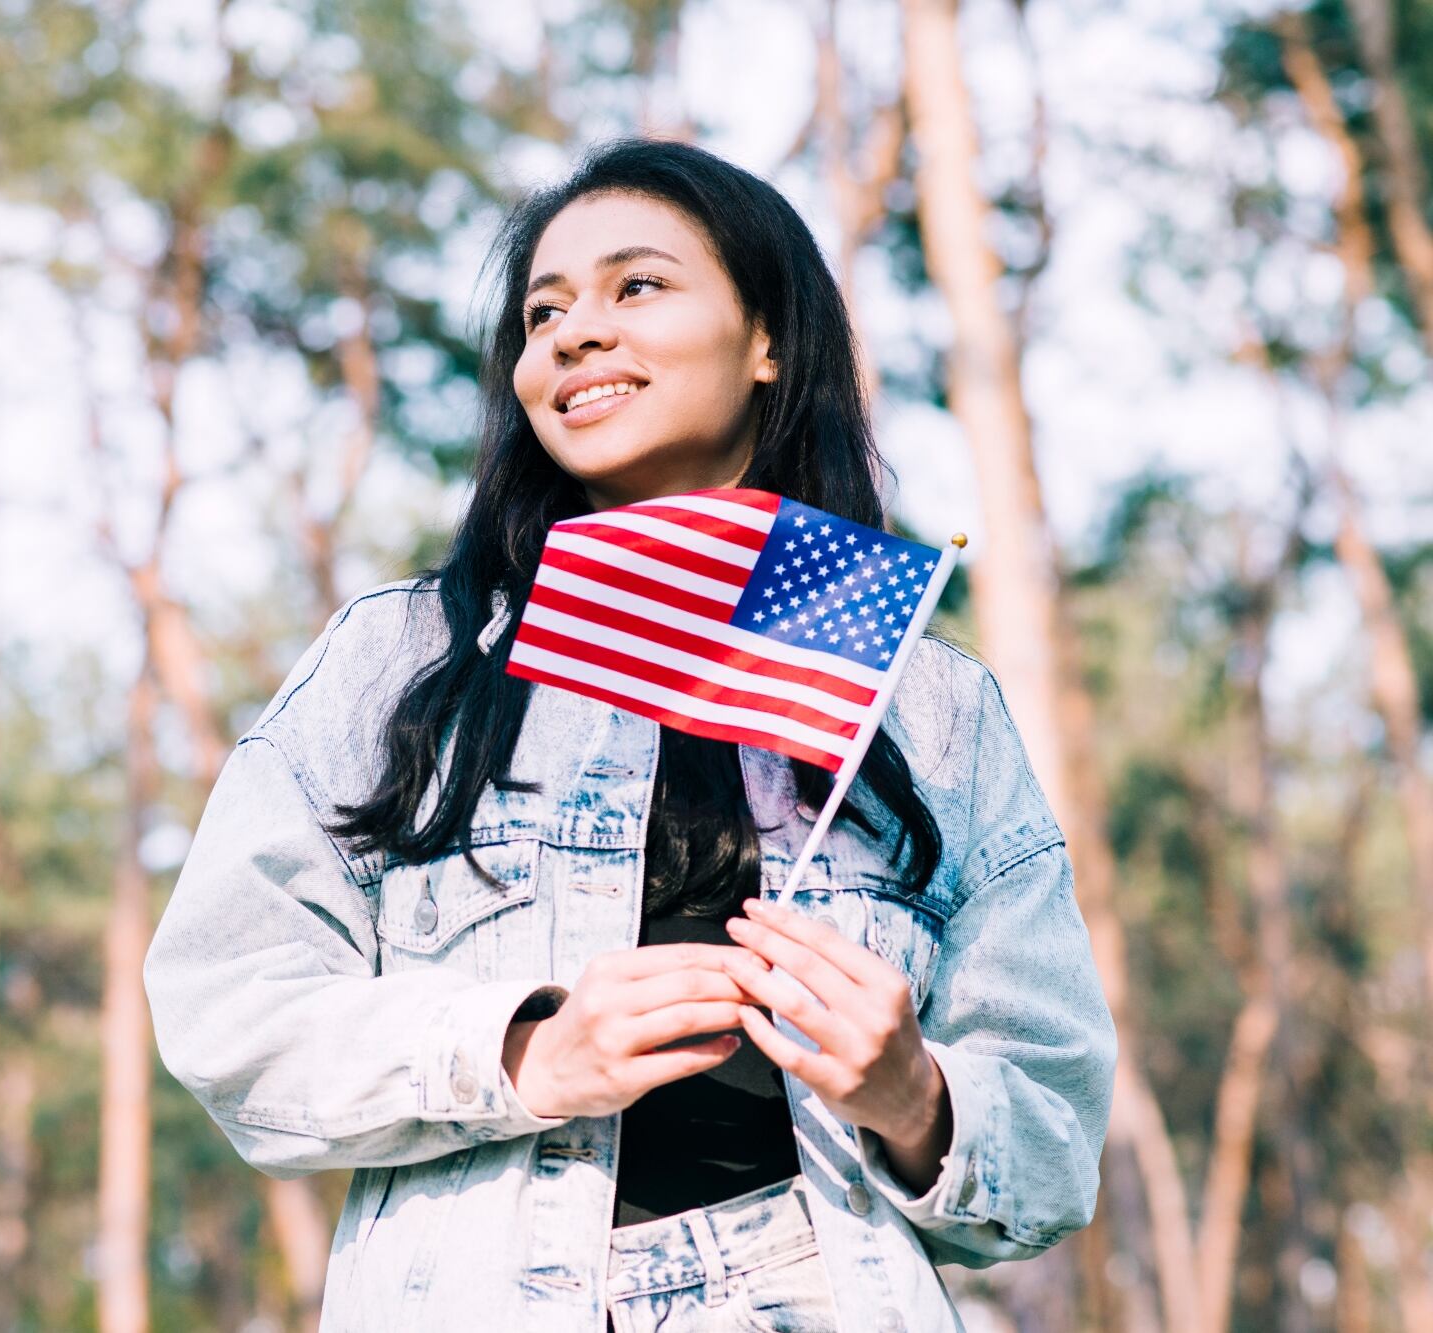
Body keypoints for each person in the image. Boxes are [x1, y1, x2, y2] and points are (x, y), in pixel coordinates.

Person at [142, 135, 1117, 1332]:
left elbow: (1056, 1145)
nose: (571, 333)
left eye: (634, 286)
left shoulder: (925, 704)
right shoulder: (401, 660)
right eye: (541, 312)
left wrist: (911, 1091)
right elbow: (226, 1005)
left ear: (767, 340)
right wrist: (524, 1053)